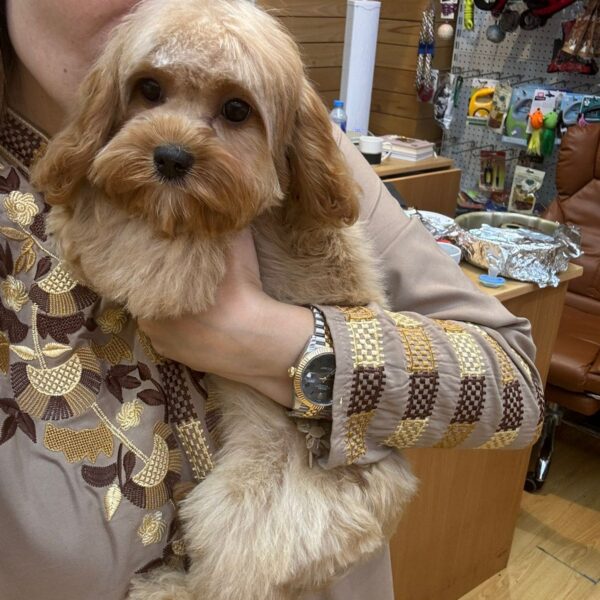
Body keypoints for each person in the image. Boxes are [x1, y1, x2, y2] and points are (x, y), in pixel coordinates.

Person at [0, 1, 544, 599]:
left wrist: (280, 342)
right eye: (149, 90)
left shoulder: (292, 142)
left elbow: (516, 390)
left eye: (234, 111)